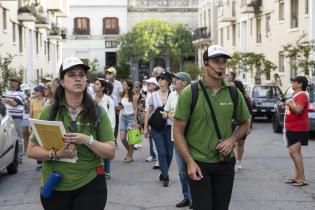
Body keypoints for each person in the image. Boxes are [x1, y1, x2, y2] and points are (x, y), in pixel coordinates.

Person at [27, 56, 115, 210]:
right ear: (62, 81)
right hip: (55, 184)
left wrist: (87, 140)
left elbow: (110, 152)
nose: (78, 79)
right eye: (72, 75)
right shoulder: (49, 111)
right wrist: (57, 154)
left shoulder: (98, 111)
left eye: (81, 75)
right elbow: (31, 150)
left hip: (91, 182)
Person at [173, 45, 251, 210]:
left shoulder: (233, 92)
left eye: (224, 62)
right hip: (199, 163)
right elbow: (177, 132)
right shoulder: (190, 92)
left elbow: (245, 123)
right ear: (206, 64)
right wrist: (189, 162)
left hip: (225, 164)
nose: (221, 66)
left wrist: (231, 140)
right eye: (216, 61)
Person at [161, 72, 193, 208]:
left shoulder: (193, 95)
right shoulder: (172, 94)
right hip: (177, 138)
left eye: (177, 79)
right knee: (181, 171)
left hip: (192, 139)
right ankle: (187, 197)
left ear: (184, 82)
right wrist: (169, 115)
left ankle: (195, 198)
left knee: (193, 169)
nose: (174, 81)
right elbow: (164, 113)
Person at [144, 71, 174, 187]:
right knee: (161, 152)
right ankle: (165, 175)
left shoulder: (173, 94)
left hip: (170, 127)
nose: (160, 80)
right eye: (159, 78)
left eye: (162, 78)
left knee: (170, 153)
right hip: (156, 127)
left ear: (168, 80)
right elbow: (148, 111)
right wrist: (146, 128)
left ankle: (163, 171)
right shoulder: (153, 95)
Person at [284, 76, 309, 187]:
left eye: (294, 82)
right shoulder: (297, 95)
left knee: (294, 152)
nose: (292, 84)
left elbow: (298, 110)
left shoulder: (302, 95)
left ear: (300, 84)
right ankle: (297, 176)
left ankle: (302, 178)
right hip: (292, 126)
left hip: (298, 127)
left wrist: (289, 104)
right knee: (293, 152)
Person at [93, 78, 116, 179]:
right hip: (93, 127)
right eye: (95, 84)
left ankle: (107, 171)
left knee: (105, 149)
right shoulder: (91, 98)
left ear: (102, 87)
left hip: (105, 128)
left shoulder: (108, 100)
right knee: (95, 150)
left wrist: (111, 129)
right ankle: (98, 171)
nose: (95, 86)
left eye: (97, 84)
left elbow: (112, 115)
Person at [2, 77, 26, 163]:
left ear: (18, 83)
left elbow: (15, 103)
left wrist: (7, 100)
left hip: (16, 118)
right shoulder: (6, 91)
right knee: (7, 137)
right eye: (11, 81)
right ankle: (9, 157)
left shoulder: (22, 93)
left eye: (14, 81)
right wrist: (10, 100)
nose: (12, 83)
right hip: (6, 117)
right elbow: (2, 100)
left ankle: (19, 157)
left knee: (18, 137)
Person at [232, 80, 253, 172]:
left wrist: (248, 127)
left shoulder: (245, 98)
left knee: (240, 144)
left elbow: (249, 114)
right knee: (233, 143)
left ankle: (238, 161)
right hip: (231, 124)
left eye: (232, 85)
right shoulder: (229, 96)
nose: (230, 87)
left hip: (242, 124)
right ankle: (233, 162)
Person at [144, 77, 160, 166]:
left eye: (149, 84)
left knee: (158, 143)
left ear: (155, 86)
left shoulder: (157, 94)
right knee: (154, 143)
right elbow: (148, 111)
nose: (147, 85)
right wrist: (145, 126)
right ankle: (158, 161)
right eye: (147, 84)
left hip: (160, 122)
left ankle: (160, 161)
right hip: (152, 122)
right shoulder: (149, 95)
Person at [119, 79, 135, 162]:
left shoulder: (133, 95)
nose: (123, 85)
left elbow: (135, 109)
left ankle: (130, 155)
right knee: (122, 138)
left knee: (131, 138)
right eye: (123, 84)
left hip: (131, 117)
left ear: (128, 87)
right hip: (123, 117)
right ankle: (129, 151)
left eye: (125, 84)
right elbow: (120, 106)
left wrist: (134, 121)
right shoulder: (121, 94)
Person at [105, 67, 123, 141]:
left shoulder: (118, 83)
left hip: (115, 106)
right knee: (106, 122)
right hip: (106, 105)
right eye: (107, 73)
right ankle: (106, 139)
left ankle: (114, 140)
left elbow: (121, 94)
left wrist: (119, 105)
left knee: (115, 123)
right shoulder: (105, 83)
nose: (108, 74)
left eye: (110, 73)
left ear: (114, 74)